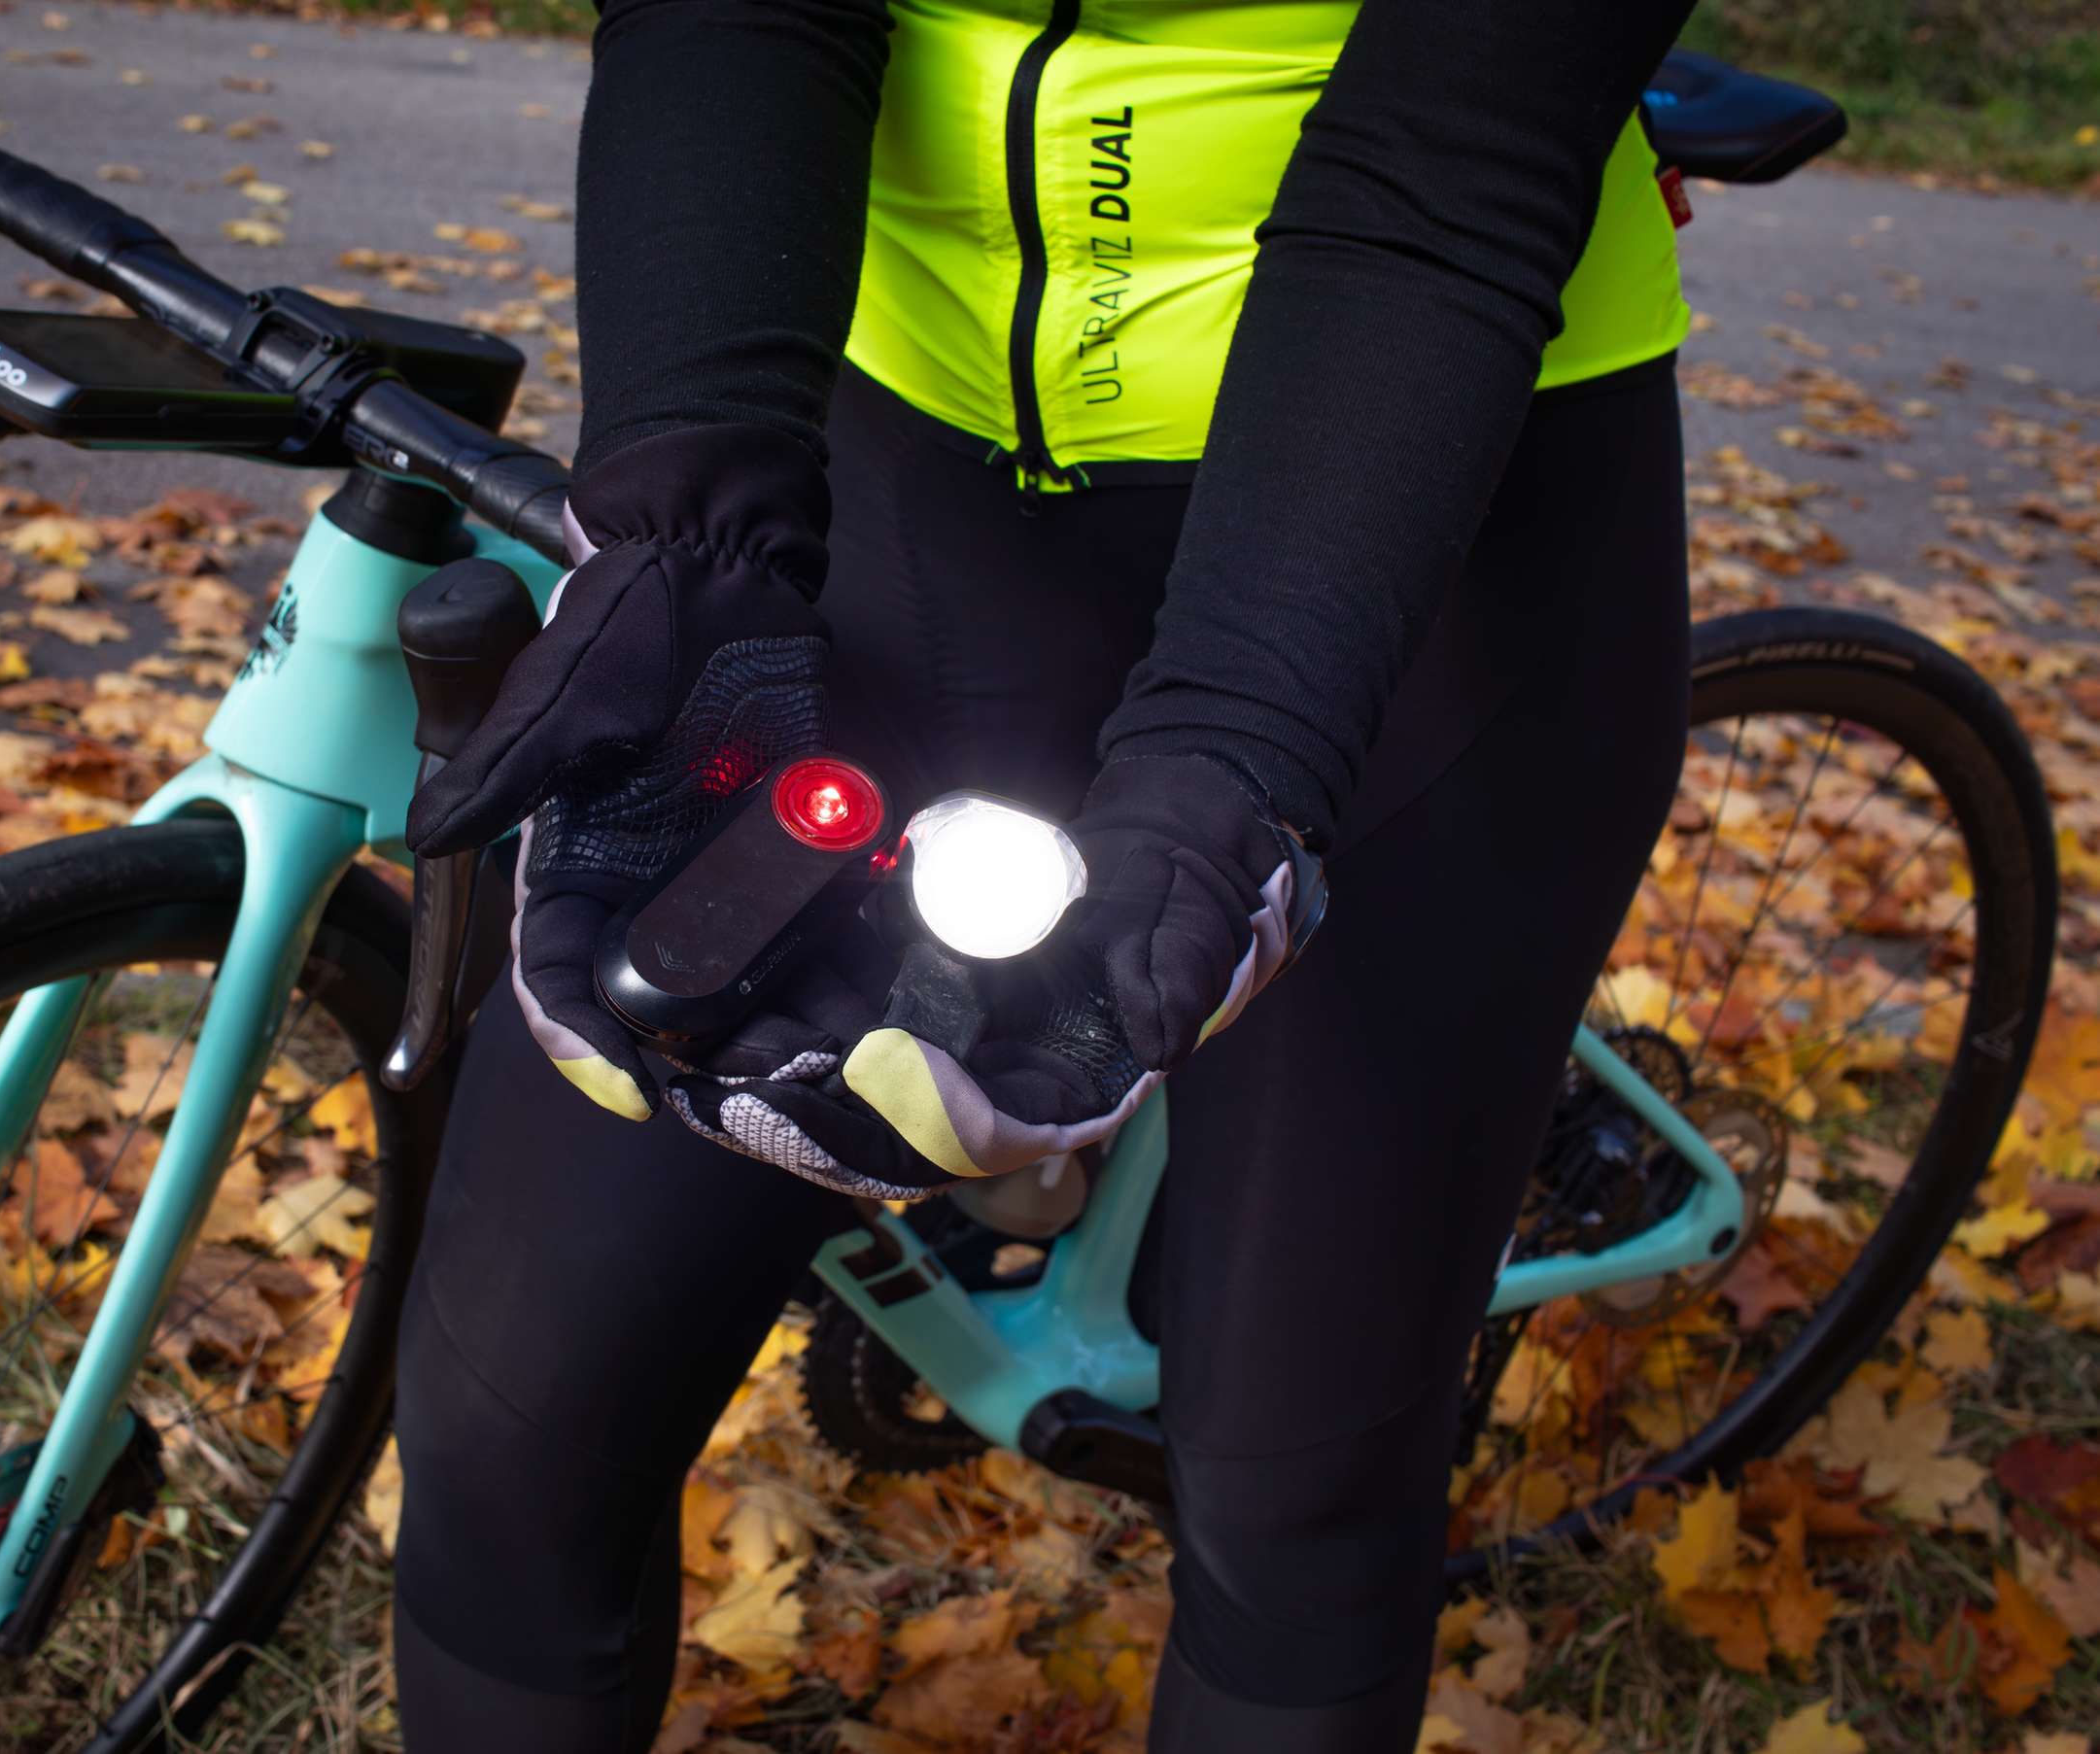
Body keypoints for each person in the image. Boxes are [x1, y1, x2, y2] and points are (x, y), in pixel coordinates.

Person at [390, 0, 1699, 1745]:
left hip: (1431, 535)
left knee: (1293, 1494)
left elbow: (1448, 165)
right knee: (511, 1418)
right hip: (894, 488)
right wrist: (694, 519)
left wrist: (1239, 750)